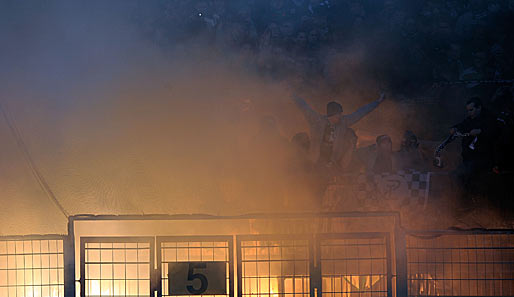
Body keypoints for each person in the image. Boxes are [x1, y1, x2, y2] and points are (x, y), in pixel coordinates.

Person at [291, 92, 386, 174]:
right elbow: (304, 107)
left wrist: (377, 102)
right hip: (315, 160)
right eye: (338, 114)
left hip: (331, 163)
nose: (340, 116)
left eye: (341, 114)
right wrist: (292, 94)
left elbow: (360, 113)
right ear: (331, 114)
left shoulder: (343, 122)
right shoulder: (317, 121)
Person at [451, 97, 496, 208]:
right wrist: (454, 128)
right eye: (468, 110)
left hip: (483, 159)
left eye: (471, 110)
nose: (469, 112)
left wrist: (481, 131)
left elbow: (495, 132)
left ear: (479, 108)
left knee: (467, 176)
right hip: (469, 159)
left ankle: (472, 204)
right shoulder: (470, 119)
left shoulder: (490, 119)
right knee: (457, 176)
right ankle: (464, 204)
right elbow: (463, 125)